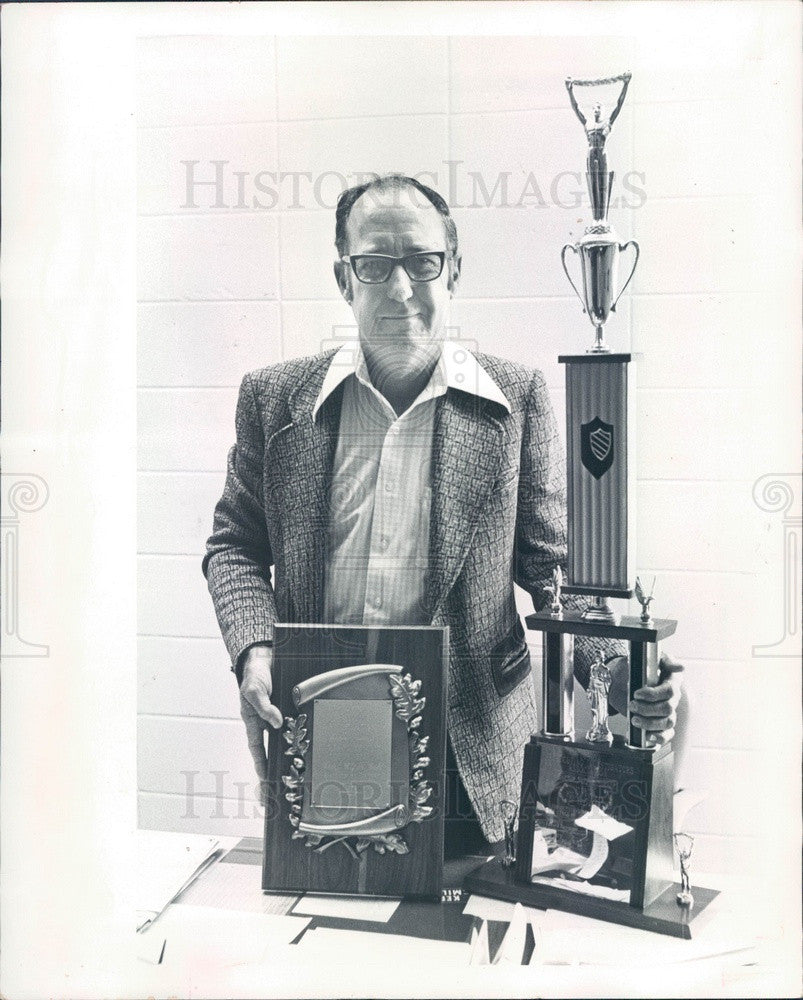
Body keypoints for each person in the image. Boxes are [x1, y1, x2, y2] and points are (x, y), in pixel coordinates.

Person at [202, 174, 682, 848]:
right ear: (345, 279)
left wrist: (615, 670)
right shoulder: (272, 399)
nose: (400, 289)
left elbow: (554, 571)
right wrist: (255, 648)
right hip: (322, 715)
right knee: (334, 914)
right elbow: (233, 546)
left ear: (451, 268)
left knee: (463, 931)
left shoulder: (516, 398)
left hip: (471, 739)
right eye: (374, 264)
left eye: (421, 261)